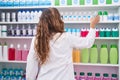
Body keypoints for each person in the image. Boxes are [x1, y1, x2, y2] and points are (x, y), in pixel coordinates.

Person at [26, 7, 100, 80]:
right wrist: (92, 26)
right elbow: (88, 42)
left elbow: (31, 67)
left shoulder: (37, 39)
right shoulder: (66, 38)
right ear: (58, 20)